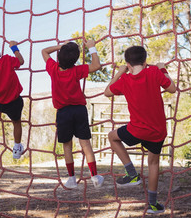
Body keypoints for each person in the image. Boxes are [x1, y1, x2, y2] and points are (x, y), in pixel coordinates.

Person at [104, 45, 176, 214]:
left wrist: (120, 72)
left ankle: (132, 173)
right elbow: (172, 88)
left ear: (128, 64)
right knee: (153, 163)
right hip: (157, 131)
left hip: (136, 130)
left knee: (112, 136)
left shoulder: (125, 80)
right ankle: (152, 204)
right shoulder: (154, 73)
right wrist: (162, 68)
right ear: (145, 61)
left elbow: (107, 92)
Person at [42, 40, 104, 189]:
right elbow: (96, 65)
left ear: (59, 57)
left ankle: (71, 178)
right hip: (79, 110)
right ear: (75, 60)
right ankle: (94, 176)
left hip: (63, 112)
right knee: (86, 145)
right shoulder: (76, 70)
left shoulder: (53, 68)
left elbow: (44, 51)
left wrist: (60, 46)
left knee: (67, 146)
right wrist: (91, 47)